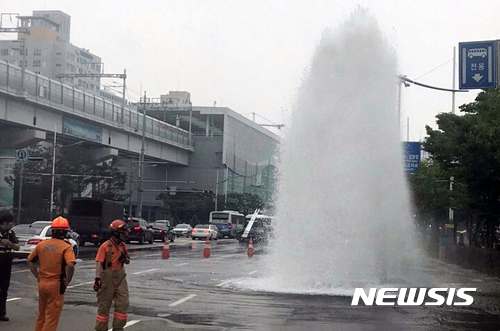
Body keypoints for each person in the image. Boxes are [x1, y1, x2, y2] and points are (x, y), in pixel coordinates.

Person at [27, 216, 76, 331]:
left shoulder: (42, 245)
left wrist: (38, 276)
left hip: (42, 283)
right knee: (52, 317)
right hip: (56, 284)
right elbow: (70, 265)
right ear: (65, 232)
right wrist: (67, 280)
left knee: (42, 314)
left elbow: (30, 260)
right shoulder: (66, 247)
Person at [94, 219, 130, 331]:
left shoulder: (123, 246)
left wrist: (125, 258)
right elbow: (99, 263)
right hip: (107, 279)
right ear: (115, 233)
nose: (124, 235)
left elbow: (128, 260)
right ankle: (101, 328)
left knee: (123, 303)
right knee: (104, 306)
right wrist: (97, 279)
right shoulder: (105, 246)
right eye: (122, 233)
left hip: (120, 278)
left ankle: (118, 327)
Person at [0, 211, 19, 322]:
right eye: (10, 223)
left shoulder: (10, 233)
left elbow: (17, 247)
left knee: (4, 288)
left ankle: (2, 313)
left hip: (6, 263)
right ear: (5, 223)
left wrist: (10, 244)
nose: (12, 225)